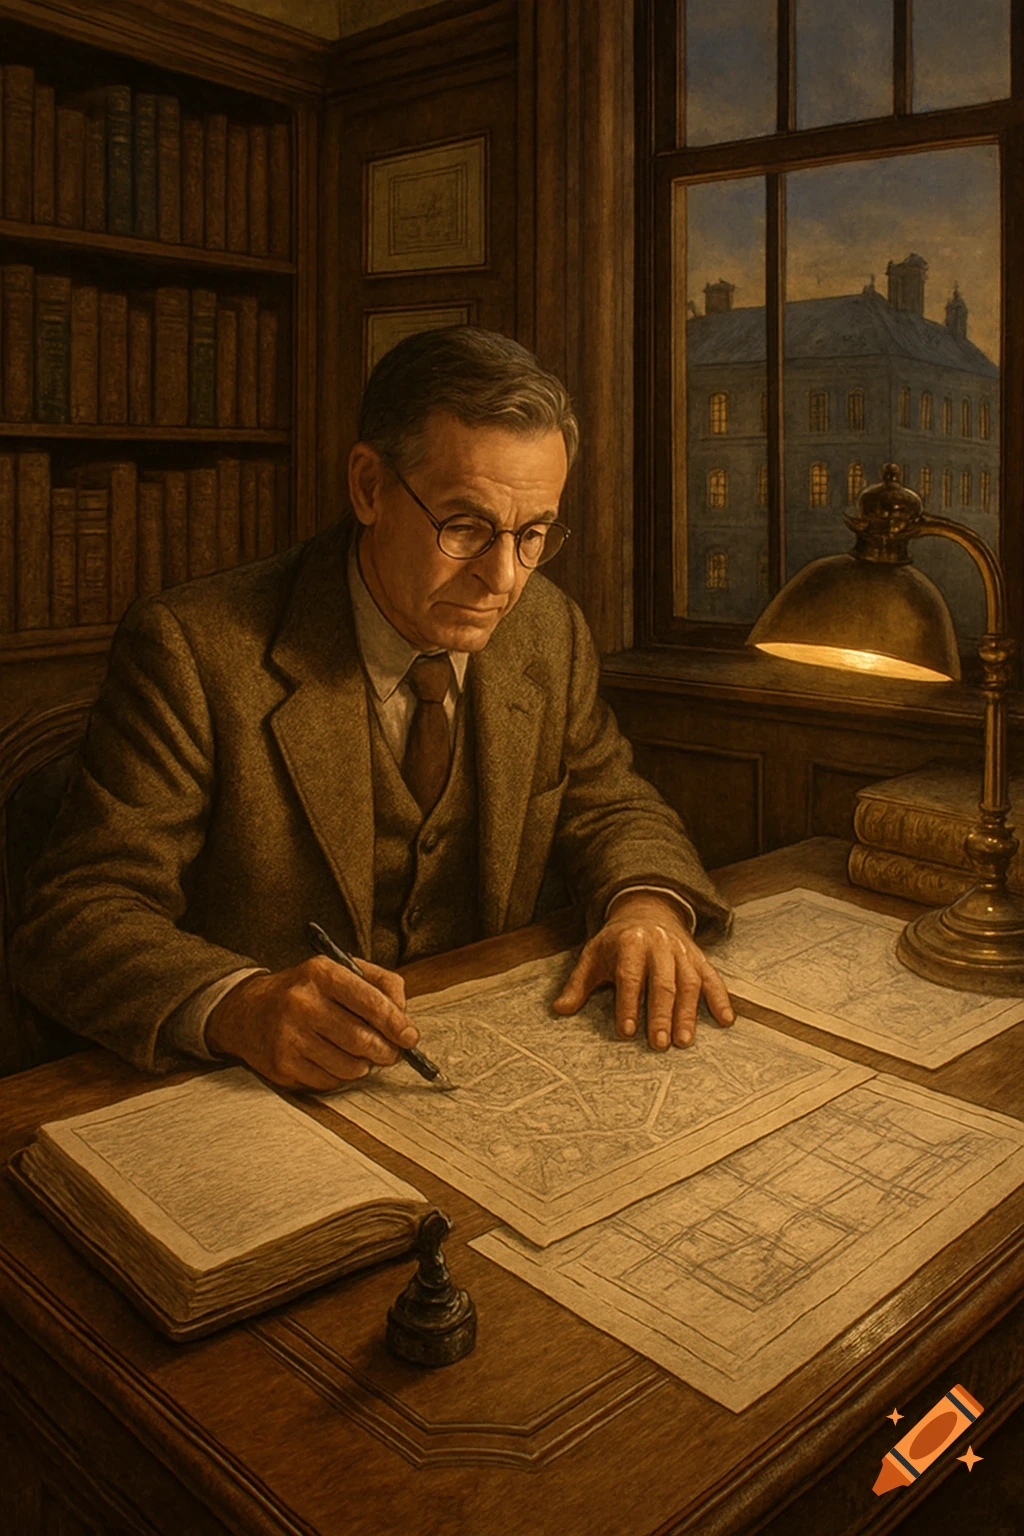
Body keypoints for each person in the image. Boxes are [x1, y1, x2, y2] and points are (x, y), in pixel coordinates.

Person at [11, 328, 734, 1089]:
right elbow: (77, 916)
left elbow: (611, 799)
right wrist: (242, 1005)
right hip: (256, 1093)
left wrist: (647, 906)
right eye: (466, 527)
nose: (502, 578)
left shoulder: (547, 630)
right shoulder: (195, 649)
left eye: (533, 535)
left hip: (485, 1065)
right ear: (368, 487)